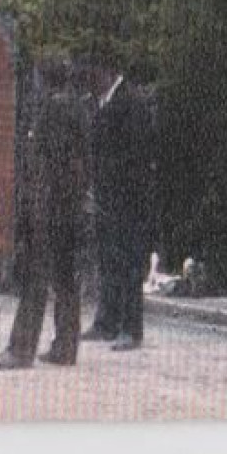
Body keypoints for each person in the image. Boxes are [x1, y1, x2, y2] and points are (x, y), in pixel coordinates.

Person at [0, 59, 93, 370]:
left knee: (35, 280)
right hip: (70, 208)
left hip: (50, 210)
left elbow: (50, 167)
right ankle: (65, 346)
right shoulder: (77, 109)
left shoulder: (51, 112)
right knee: (65, 279)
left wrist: (37, 210)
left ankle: (20, 349)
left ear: (43, 81)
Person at [83, 68, 157, 351]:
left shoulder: (132, 103)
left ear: (107, 71)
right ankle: (107, 322)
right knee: (108, 261)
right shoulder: (103, 102)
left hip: (128, 199)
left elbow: (137, 156)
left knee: (129, 263)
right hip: (107, 198)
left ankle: (131, 328)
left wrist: (121, 189)